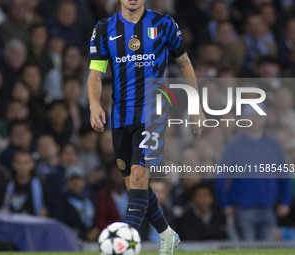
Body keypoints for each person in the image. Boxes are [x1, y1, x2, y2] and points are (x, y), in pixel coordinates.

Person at [87, 0, 205, 253]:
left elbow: (184, 63)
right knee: (133, 185)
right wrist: (94, 105)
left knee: (140, 177)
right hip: (120, 116)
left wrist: (195, 106)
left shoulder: (163, 24)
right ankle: (167, 234)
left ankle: (123, 243)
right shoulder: (104, 28)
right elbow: (96, 72)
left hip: (153, 113)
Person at [215, 104, 293, 241]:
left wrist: (285, 201)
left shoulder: (273, 144)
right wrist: (225, 203)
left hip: (268, 206)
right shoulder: (234, 145)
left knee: (267, 247)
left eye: (257, 117)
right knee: (247, 247)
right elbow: (222, 175)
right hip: (243, 207)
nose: (255, 120)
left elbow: (283, 174)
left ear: (263, 119)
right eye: (251, 117)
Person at [2, 151, 48, 216]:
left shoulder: (41, 185)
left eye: (26, 163)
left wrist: (46, 212)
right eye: (19, 163)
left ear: (32, 164)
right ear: (13, 164)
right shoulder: (6, 185)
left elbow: (51, 206)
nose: (22, 167)